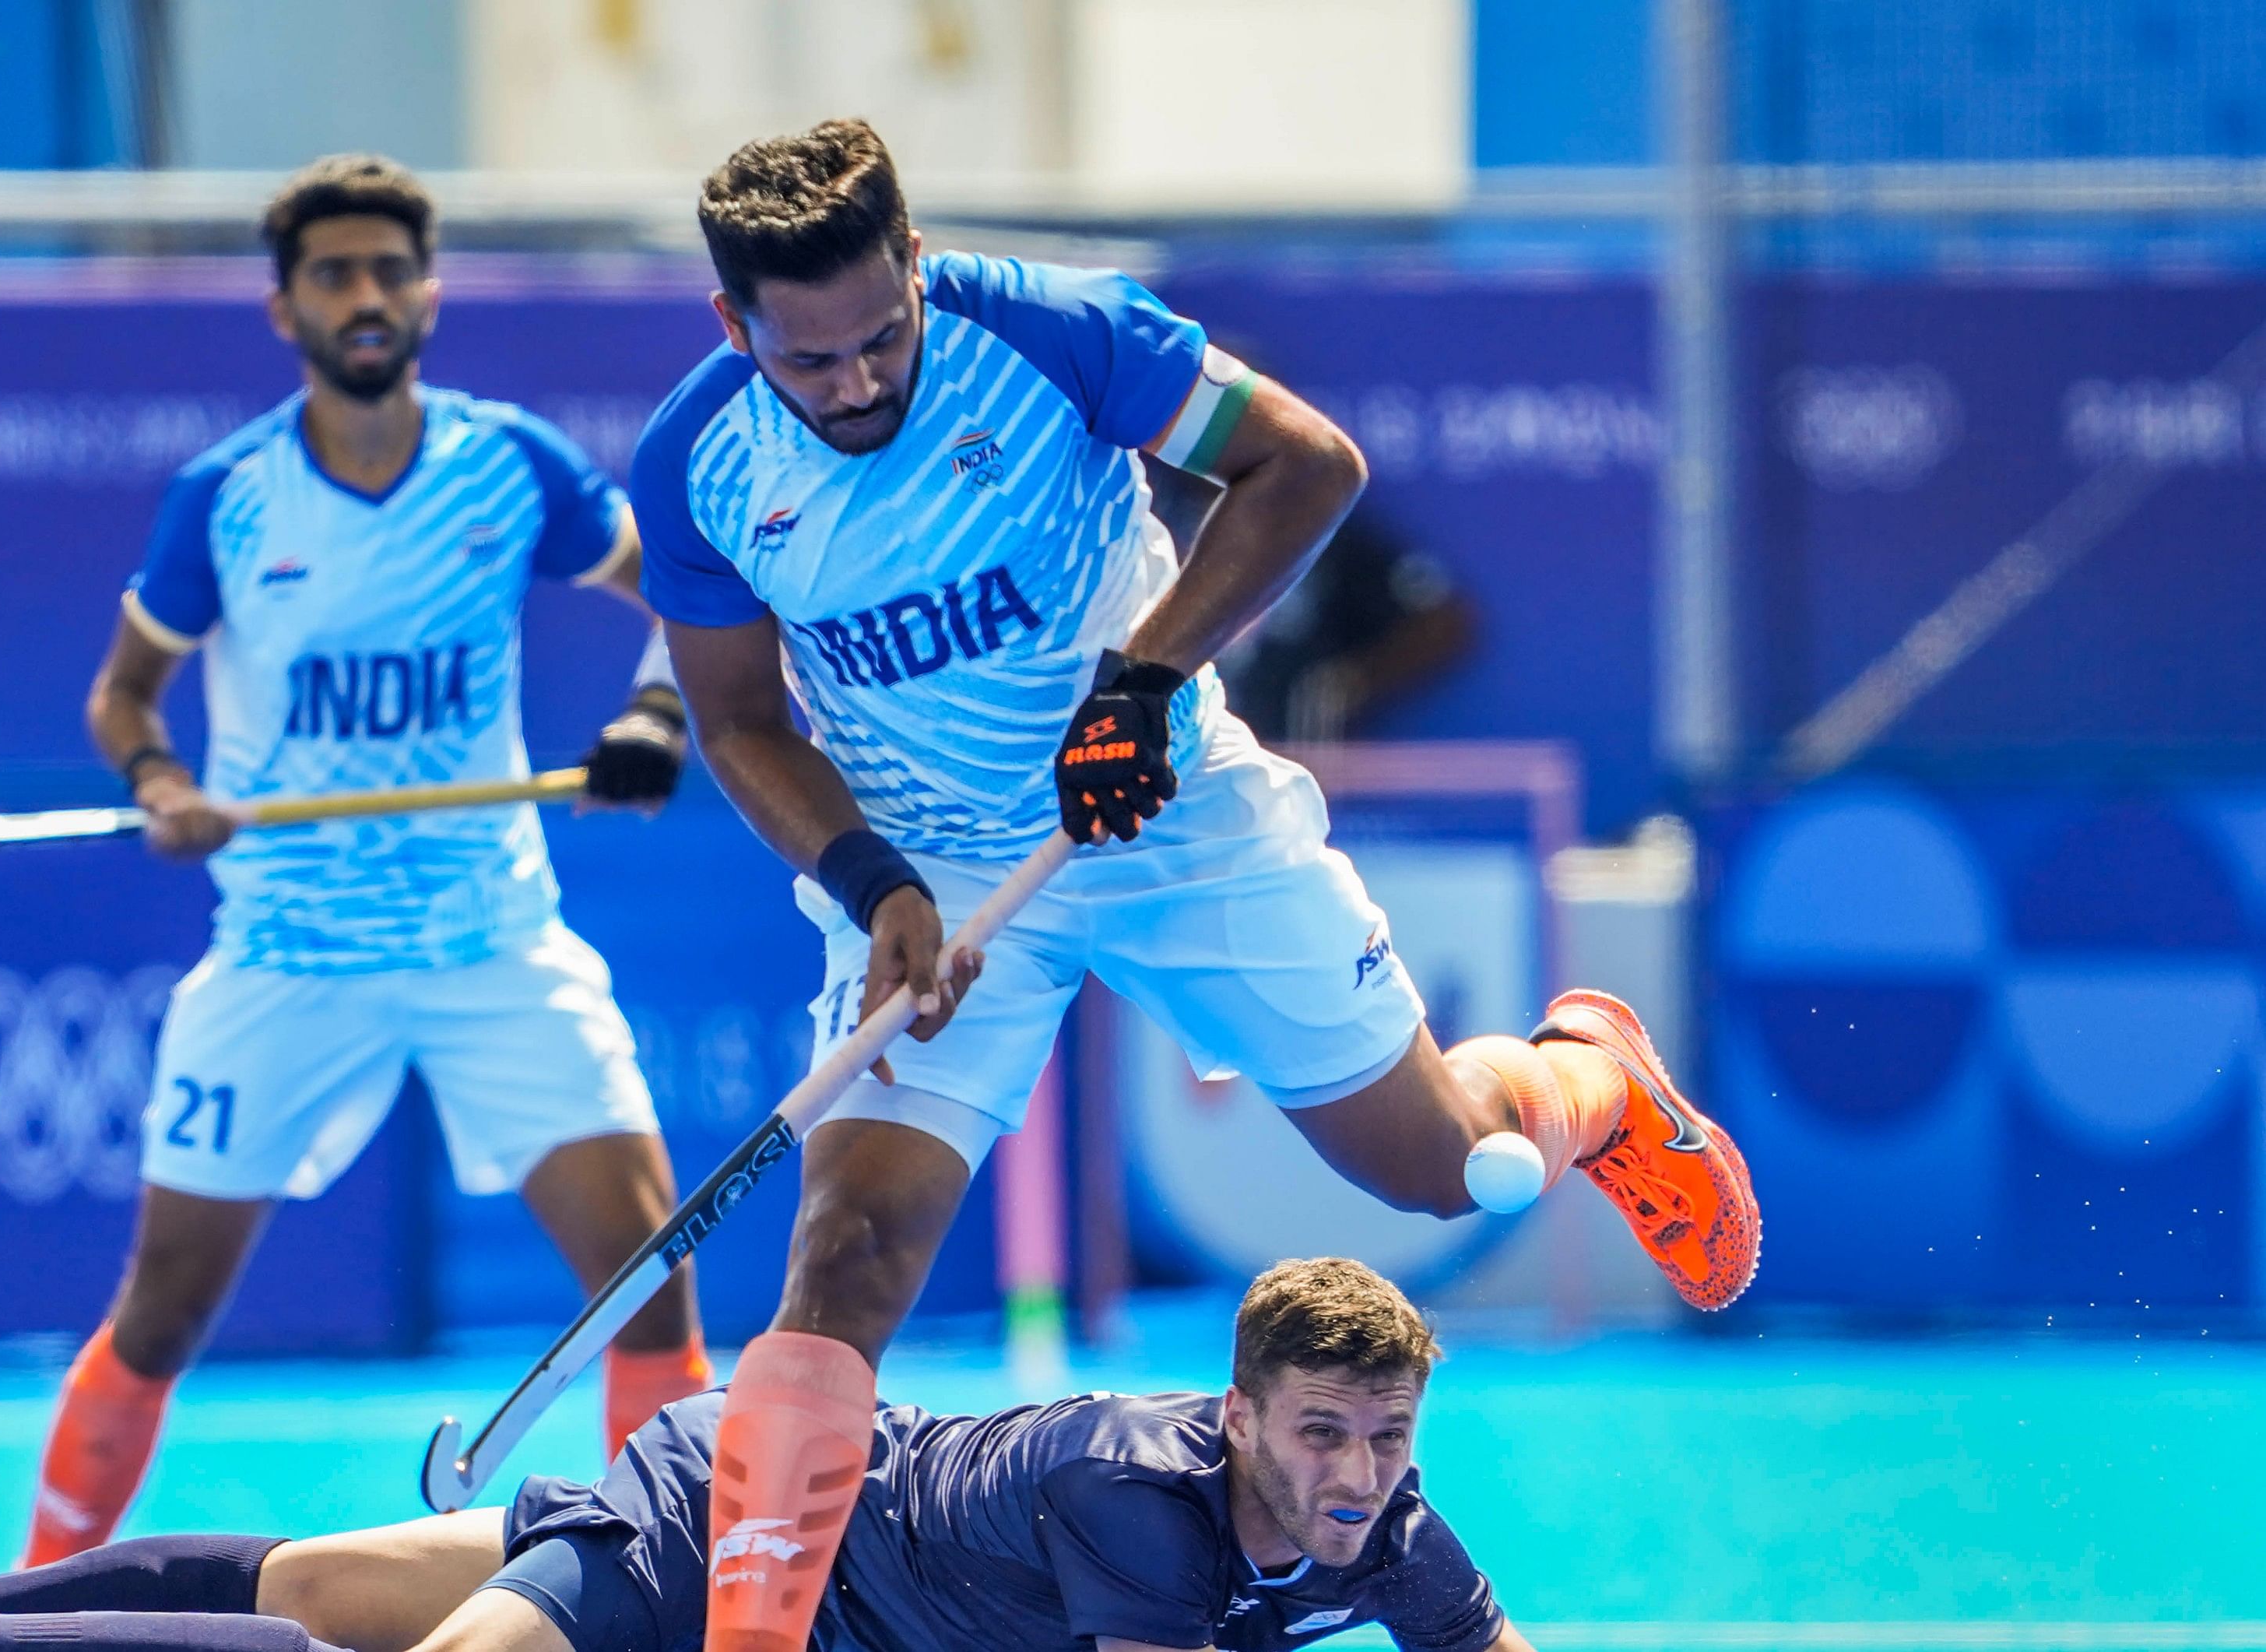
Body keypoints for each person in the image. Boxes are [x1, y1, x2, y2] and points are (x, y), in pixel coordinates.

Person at [624, 120, 1759, 1651]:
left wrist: (1142, 680)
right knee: (844, 1252)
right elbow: (741, 719)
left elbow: (1304, 462)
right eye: (805, 362)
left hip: (1164, 802)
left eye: (878, 337)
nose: (855, 385)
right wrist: (865, 875)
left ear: (910, 263)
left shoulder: (1050, 329)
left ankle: (1587, 1080)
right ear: (729, 326)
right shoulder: (695, 459)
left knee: (1434, 1161)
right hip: (936, 865)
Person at [29, 153, 708, 1566]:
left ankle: (684, 1599)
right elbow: (121, 695)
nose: (366, 295)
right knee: (159, 1314)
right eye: (334, 273)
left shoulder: (510, 462)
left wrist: (651, 708)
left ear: (430, 294)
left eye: (390, 270)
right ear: (284, 309)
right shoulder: (223, 496)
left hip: (493, 947)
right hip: (286, 960)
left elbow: (690, 599)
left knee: (650, 1288)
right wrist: (161, 781)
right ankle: (19, 1604)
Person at [0, 1257, 1534, 1652]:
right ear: (1241, 1419)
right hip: (733, 1533)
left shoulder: (1389, 1523)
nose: (1359, 1468)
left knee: (309, 1589)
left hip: (751, 1507)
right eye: (1324, 1431)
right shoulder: (1146, 1503)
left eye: (1383, 1434)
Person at [1146, 466, 1477, 744]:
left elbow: (1443, 620)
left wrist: (1347, 682)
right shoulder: (1149, 515)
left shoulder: (1315, 521)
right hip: (1156, 747)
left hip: (1280, 754)